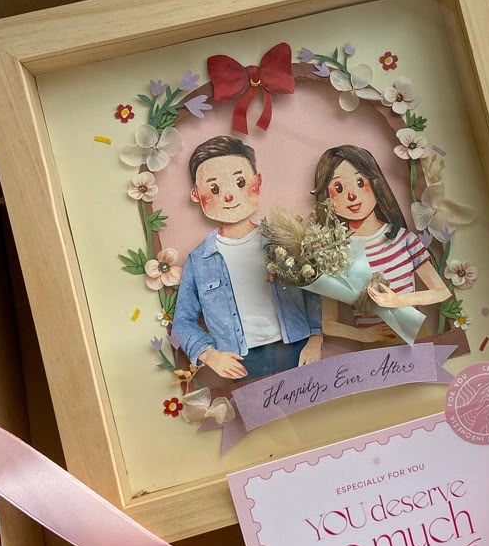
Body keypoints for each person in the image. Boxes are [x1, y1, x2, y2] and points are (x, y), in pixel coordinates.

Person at [173, 135, 323, 380]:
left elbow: (313, 289)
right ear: (196, 194)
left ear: (258, 181)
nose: (229, 196)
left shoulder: (282, 239)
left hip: (298, 349)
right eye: (214, 188)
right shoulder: (199, 261)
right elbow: (181, 324)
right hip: (240, 363)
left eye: (240, 182)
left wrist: (316, 339)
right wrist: (210, 355)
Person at [312, 144, 450, 343]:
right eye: (339, 188)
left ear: (376, 183)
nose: (352, 196)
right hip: (373, 352)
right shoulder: (334, 254)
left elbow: (442, 291)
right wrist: (362, 335)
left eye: (360, 182)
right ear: (326, 196)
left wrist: (398, 301)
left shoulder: (404, 239)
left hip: (415, 338)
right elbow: (328, 323)